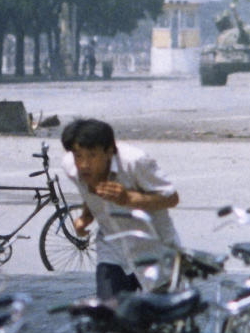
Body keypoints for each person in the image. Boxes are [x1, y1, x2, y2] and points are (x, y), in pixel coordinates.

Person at [60, 118, 180, 300]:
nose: (84, 164)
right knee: (110, 316)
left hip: (154, 250)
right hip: (112, 251)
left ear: (109, 151)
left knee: (160, 322)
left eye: (92, 155)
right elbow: (89, 196)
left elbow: (171, 198)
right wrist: (85, 217)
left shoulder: (135, 162)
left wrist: (129, 198)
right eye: (78, 156)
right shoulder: (71, 167)